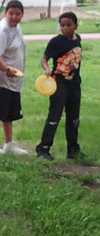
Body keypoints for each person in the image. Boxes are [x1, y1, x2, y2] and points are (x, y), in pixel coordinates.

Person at [36, 12, 84, 161]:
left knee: (74, 118)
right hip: (59, 85)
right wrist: (46, 69)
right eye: (62, 25)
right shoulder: (56, 42)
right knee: (54, 116)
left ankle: (73, 149)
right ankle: (43, 148)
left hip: (74, 85)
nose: (65, 28)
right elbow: (44, 58)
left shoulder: (78, 39)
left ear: (75, 25)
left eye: (68, 25)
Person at [0, 0, 28, 155]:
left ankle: (9, 143)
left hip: (13, 78)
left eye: (18, 14)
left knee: (9, 111)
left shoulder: (17, 28)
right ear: (5, 13)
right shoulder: (2, 30)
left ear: (22, 14)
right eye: (11, 13)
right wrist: (6, 68)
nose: (14, 17)